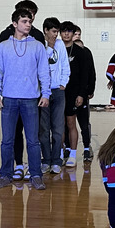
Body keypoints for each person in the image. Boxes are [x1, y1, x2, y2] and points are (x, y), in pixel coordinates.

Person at [0, 7, 51, 190]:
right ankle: (5, 174)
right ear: (15, 24)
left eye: (30, 22)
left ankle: (36, 175)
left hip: (31, 100)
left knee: (33, 140)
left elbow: (44, 72)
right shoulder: (3, 47)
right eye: (24, 21)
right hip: (9, 99)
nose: (28, 25)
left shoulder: (38, 46)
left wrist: (46, 93)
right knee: (7, 140)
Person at [60, 21, 95, 168]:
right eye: (64, 31)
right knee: (59, 126)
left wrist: (82, 93)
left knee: (72, 123)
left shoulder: (81, 52)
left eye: (70, 31)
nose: (66, 34)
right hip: (58, 93)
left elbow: (86, 75)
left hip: (74, 94)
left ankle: (73, 154)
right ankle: (60, 154)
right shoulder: (56, 50)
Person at [39, 17, 70, 174]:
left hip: (58, 91)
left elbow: (65, 65)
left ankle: (56, 160)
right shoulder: (39, 44)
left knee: (58, 128)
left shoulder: (60, 45)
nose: (56, 35)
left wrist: (63, 83)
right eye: (53, 31)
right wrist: (49, 47)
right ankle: (46, 160)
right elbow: (41, 64)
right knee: (44, 129)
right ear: (46, 30)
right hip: (43, 92)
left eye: (57, 31)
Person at [72, 26, 96, 162]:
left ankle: (87, 147)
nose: (77, 36)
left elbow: (91, 72)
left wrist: (90, 90)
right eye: (75, 33)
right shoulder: (64, 51)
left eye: (79, 34)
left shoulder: (86, 52)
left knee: (84, 122)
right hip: (69, 94)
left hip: (82, 93)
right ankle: (67, 148)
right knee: (68, 123)